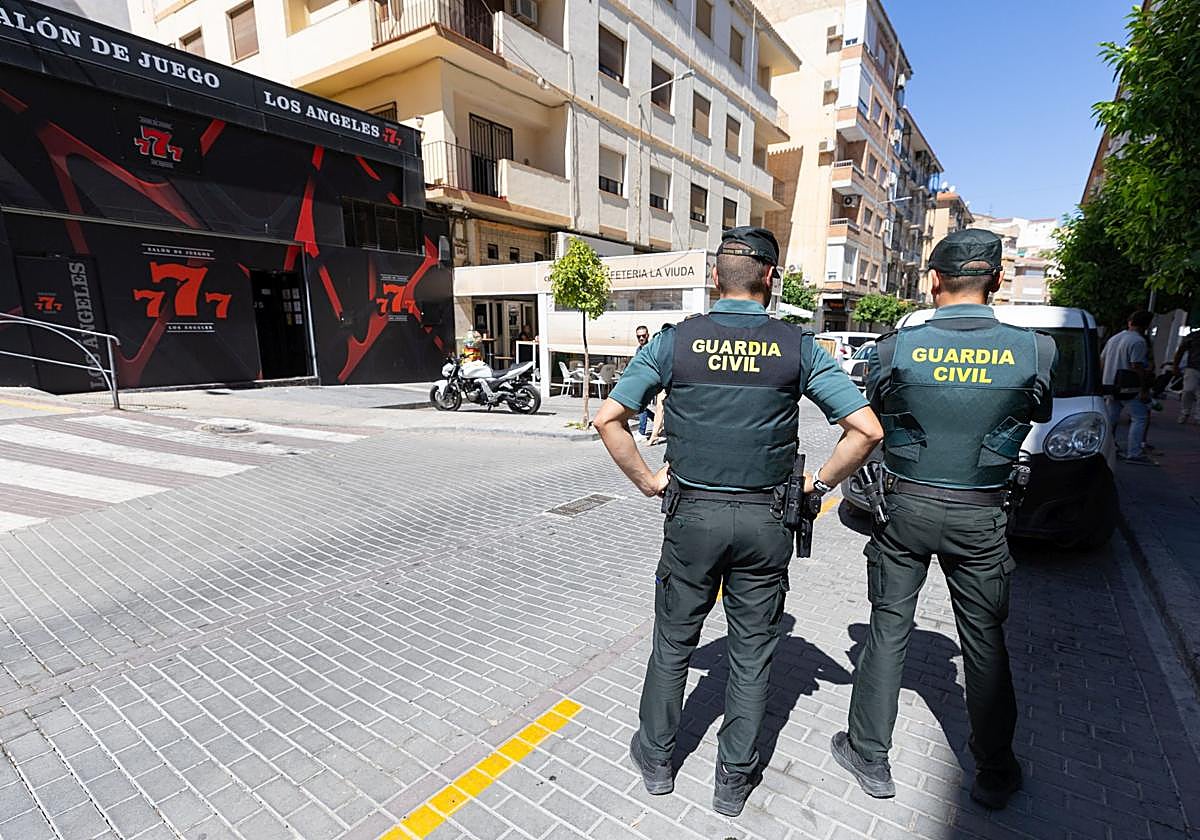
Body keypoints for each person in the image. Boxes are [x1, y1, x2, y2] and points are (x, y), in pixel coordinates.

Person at [593, 226, 883, 817]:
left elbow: (608, 419)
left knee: (674, 643)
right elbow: (868, 431)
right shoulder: (798, 347)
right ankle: (733, 781)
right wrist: (819, 485)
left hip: (691, 516)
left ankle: (656, 761)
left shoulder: (674, 344)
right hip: (766, 521)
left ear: (714, 277)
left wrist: (651, 482)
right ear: (771, 279)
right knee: (752, 653)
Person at [830, 228, 1055, 811]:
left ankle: (870, 756)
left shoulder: (893, 348)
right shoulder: (1035, 349)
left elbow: (874, 413)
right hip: (981, 514)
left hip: (904, 508)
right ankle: (995, 771)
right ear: (997, 283)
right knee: (985, 640)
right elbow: (1034, 408)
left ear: (933, 282)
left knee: (887, 629)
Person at [1101, 311, 1154, 463]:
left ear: (1130, 321)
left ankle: (1106, 449)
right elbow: (1136, 366)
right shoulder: (1138, 342)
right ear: (1146, 325)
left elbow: (1102, 360)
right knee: (1140, 417)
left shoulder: (1114, 338)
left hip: (1110, 385)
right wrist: (1144, 389)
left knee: (1111, 419)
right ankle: (1134, 453)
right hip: (1129, 387)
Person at [1172, 329, 1200, 424]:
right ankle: (1185, 412)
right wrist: (1175, 366)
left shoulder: (1193, 336)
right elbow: (1180, 350)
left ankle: (1197, 416)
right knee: (1188, 390)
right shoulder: (1193, 336)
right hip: (1193, 366)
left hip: (1193, 366)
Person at [633, 325, 654, 436]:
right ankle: (657, 419)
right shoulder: (638, 349)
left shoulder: (651, 348)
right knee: (642, 406)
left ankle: (642, 432)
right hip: (640, 381)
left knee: (641, 406)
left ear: (647, 335)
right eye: (638, 336)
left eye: (643, 336)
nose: (641, 338)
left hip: (649, 381)